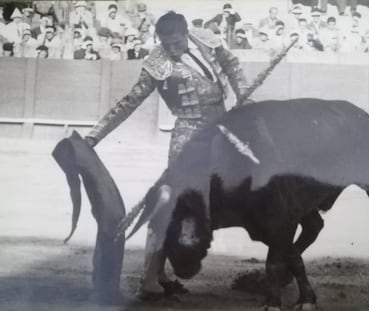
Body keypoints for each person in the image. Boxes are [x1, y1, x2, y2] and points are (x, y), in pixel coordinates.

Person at [84, 11, 249, 299]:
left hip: (221, 128)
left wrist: (244, 93)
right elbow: (129, 102)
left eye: (176, 43)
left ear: (187, 33)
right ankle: (150, 277)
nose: (172, 49)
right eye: (166, 44)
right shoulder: (158, 64)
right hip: (189, 135)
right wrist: (95, 135)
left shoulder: (206, 39)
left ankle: (161, 272)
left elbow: (232, 63)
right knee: (172, 202)